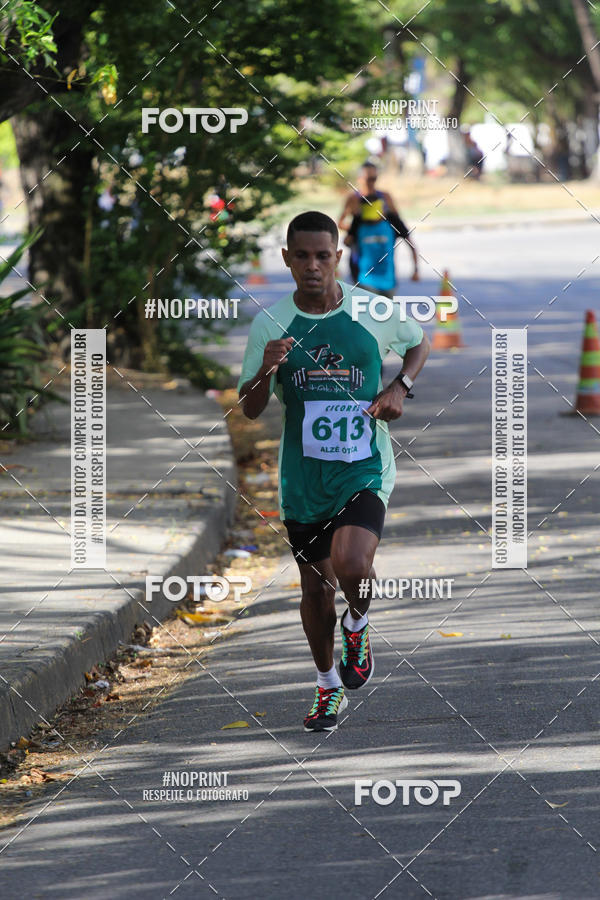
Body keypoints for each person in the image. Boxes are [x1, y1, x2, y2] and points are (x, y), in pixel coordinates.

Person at [238, 211, 430, 732]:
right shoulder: (270, 324)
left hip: (364, 468)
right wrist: (265, 370)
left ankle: (359, 623)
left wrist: (398, 389)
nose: (313, 266)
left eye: (323, 256)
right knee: (316, 591)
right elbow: (249, 409)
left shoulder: (371, 310)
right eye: (302, 256)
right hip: (303, 480)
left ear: (337, 257)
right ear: (286, 259)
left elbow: (419, 342)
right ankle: (327, 688)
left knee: (351, 561)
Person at [338, 160, 419, 296]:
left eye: (374, 179)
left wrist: (415, 269)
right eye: (368, 179)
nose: (371, 182)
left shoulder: (385, 197)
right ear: (360, 179)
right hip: (362, 269)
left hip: (387, 276)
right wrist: (356, 231)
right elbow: (340, 223)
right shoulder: (354, 199)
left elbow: (399, 226)